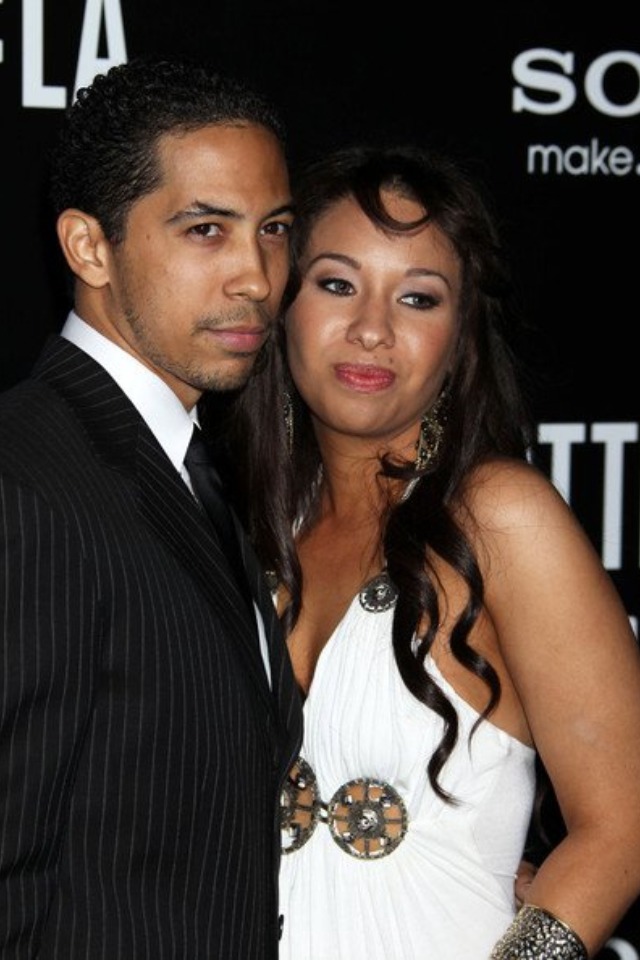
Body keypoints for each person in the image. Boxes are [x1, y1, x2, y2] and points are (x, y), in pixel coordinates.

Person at [222, 143, 640, 959]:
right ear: (282, 305)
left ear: (457, 338)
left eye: (417, 298)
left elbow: (622, 829)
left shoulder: (500, 517)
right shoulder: (243, 525)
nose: (371, 329)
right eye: (337, 284)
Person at [0, 56, 303, 958]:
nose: (257, 276)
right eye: (206, 230)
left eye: (275, 229)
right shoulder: (26, 487)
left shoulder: (192, 465)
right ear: (90, 247)